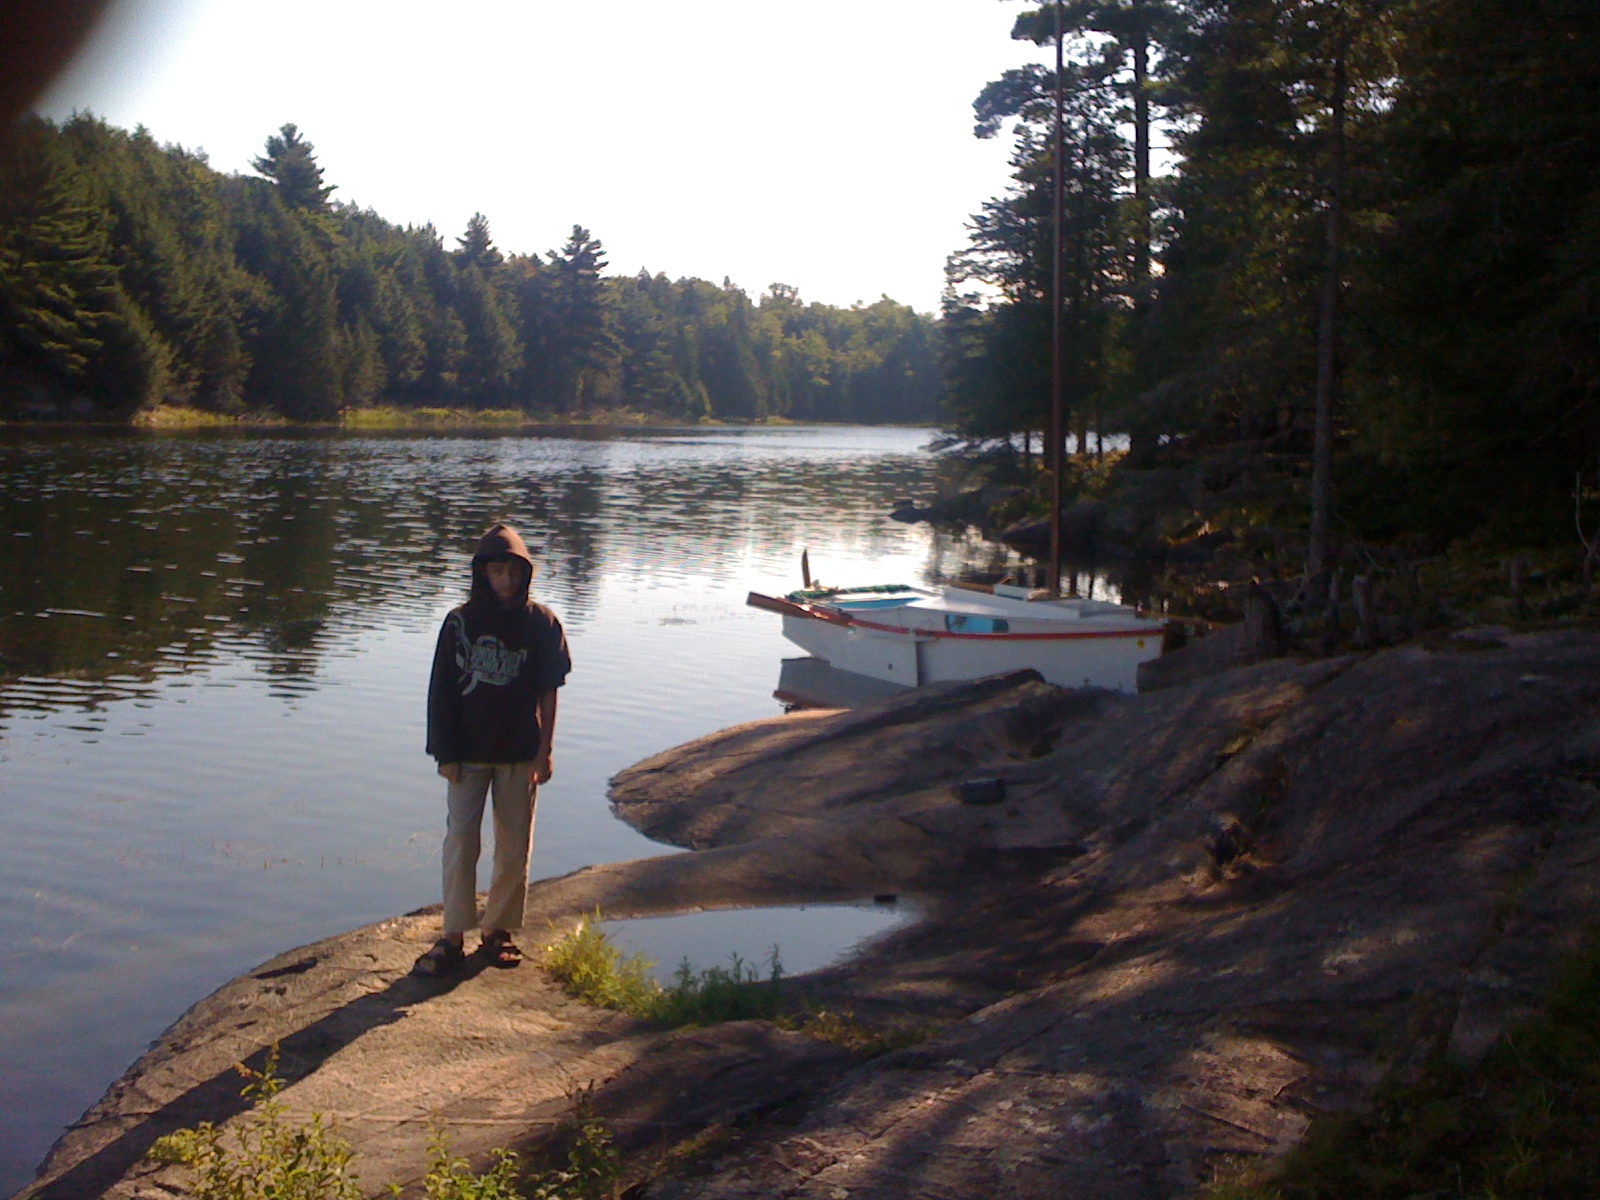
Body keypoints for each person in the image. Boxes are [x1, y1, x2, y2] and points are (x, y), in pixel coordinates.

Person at [415, 522, 571, 976]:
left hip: (520, 753)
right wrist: (443, 753)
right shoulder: (459, 623)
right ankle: (452, 935)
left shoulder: (540, 623)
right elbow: (440, 690)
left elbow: (549, 689)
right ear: (482, 574)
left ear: (525, 573)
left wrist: (545, 750)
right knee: (461, 841)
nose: (504, 581)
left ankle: (497, 930)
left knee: (512, 845)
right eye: (496, 572)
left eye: (512, 572)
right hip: (466, 754)